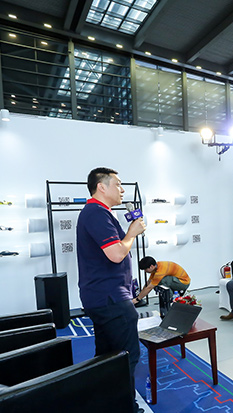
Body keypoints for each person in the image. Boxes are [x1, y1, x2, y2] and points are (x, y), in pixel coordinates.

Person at [76, 167, 146, 413]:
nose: (122, 189)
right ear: (101, 187)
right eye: (117, 184)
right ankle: (126, 407)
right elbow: (116, 254)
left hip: (104, 296)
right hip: (110, 298)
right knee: (126, 357)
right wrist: (132, 233)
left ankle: (107, 403)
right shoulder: (96, 213)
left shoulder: (100, 212)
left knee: (108, 355)